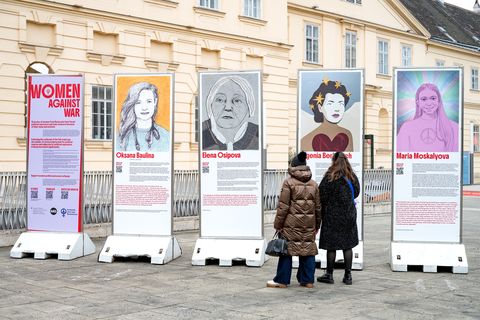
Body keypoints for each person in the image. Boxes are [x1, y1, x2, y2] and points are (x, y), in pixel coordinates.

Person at [267, 151, 322, 289]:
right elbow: (318, 208)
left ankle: (282, 280)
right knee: (308, 249)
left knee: (287, 250)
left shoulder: (288, 183)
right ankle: (308, 280)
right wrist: (317, 225)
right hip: (309, 224)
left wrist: (278, 225)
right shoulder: (314, 184)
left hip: (290, 224)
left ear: (293, 166)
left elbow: (283, 207)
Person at [317, 151, 359, 285]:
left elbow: (321, 194)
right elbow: (356, 192)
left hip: (332, 216)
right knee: (348, 245)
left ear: (334, 161)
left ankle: (329, 275)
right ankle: (348, 276)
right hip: (348, 215)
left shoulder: (330, 176)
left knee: (331, 246)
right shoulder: (351, 176)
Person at [202, 75, 259, 151]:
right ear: (210, 104)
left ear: (249, 106)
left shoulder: (257, 133)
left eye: (237, 100)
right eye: (220, 100)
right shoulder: (202, 131)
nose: (228, 108)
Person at [397, 83, 458, 152]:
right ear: (418, 102)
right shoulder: (407, 128)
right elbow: (401, 157)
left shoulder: (454, 127)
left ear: (439, 101)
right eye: (424, 99)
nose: (429, 103)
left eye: (433, 98)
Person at [301, 79, 353, 152]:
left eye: (341, 103)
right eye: (330, 103)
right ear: (320, 107)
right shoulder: (306, 140)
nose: (336, 109)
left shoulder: (347, 135)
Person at [117, 82, 169, 152]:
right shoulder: (122, 137)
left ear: (155, 102)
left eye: (149, 101)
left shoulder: (166, 136)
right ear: (132, 105)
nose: (144, 108)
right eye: (138, 102)